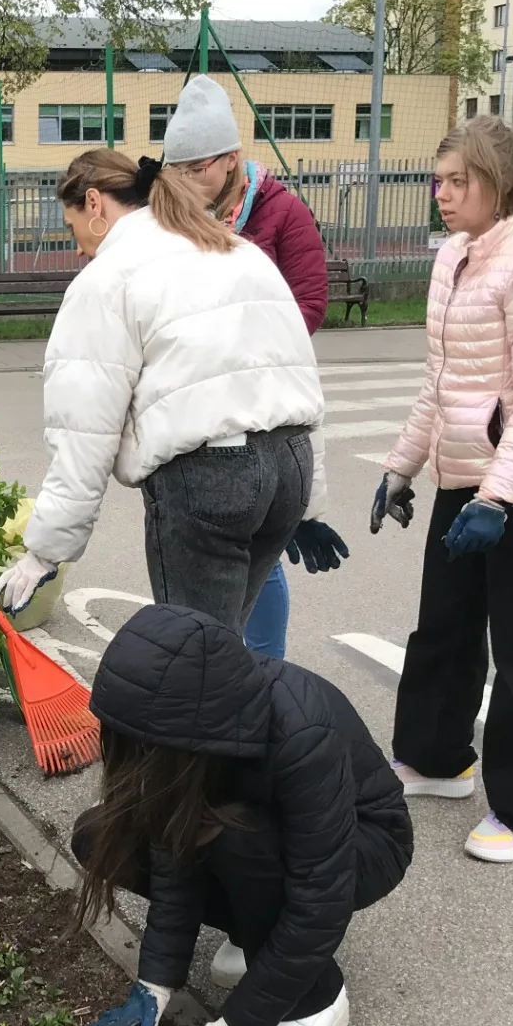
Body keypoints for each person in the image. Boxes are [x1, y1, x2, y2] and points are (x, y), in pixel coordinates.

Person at [0, 149, 324, 640]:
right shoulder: (233, 248)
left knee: (197, 659)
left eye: (72, 226)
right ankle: (247, 714)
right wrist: (311, 503)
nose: (79, 247)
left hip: (212, 478)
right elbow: (295, 370)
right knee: (226, 645)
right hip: (290, 467)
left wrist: (44, 552)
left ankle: (226, 717)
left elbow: (85, 432)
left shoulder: (107, 279)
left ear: (95, 203)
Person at [70, 603, 412, 1026]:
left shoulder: (301, 730)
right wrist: (156, 981)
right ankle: (257, 932)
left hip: (365, 842)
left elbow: (322, 893)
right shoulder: (187, 732)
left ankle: (318, 998)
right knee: (98, 835)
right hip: (268, 833)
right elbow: (173, 849)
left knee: (233, 837)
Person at [370, 116, 513, 865]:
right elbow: (440, 384)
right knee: (445, 625)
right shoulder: (455, 257)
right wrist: (400, 467)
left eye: (459, 180)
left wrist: (498, 499)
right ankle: (437, 760)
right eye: (440, 179)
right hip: (464, 474)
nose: (443, 194)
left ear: (502, 183)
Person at [163, 74, 346, 661]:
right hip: (204, 403)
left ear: (232, 159)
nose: (189, 181)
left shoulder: (283, 213)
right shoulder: (178, 217)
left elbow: (310, 304)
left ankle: (265, 672)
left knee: (260, 556)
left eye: (199, 169)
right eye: (180, 170)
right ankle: (224, 676)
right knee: (217, 553)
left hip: (266, 396)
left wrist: (245, 341)